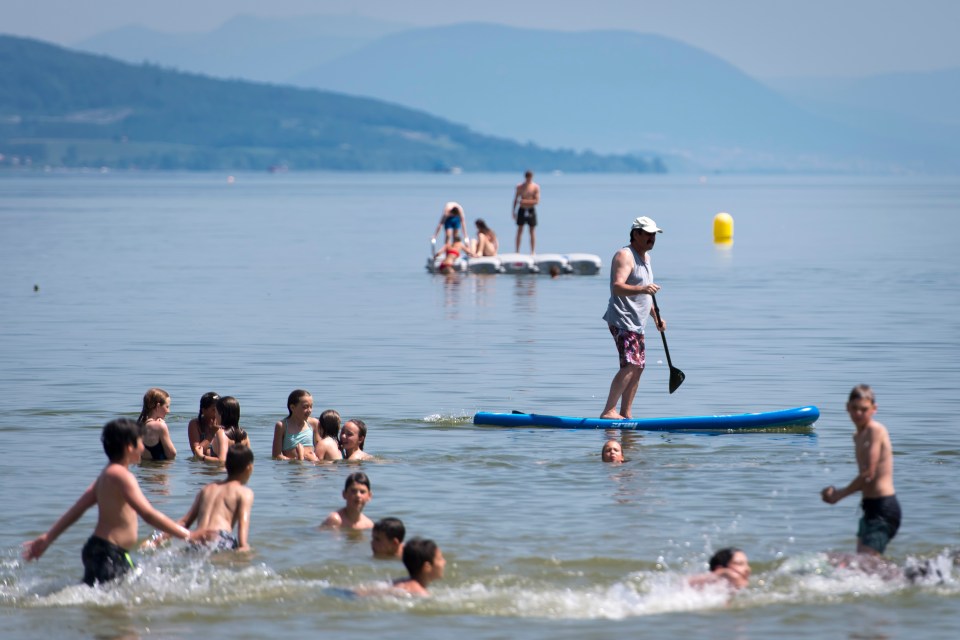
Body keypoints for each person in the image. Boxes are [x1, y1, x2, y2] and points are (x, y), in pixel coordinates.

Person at [22, 418, 192, 586]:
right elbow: (148, 514)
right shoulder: (121, 476)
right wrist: (187, 535)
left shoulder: (106, 475)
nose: (143, 447)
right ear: (129, 447)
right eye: (141, 442)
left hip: (106, 552)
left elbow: (76, 510)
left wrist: (48, 538)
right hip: (108, 553)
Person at [821, 384, 900, 556]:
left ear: (874, 409)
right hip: (869, 507)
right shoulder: (857, 436)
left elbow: (868, 474)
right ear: (847, 407)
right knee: (865, 565)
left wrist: (839, 494)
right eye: (854, 408)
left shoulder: (875, 430)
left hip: (884, 507)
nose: (858, 414)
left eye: (864, 409)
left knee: (865, 564)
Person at [600, 216, 665, 420]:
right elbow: (617, 287)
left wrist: (656, 318)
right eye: (647, 234)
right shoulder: (624, 255)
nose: (651, 238)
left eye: (654, 234)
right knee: (630, 365)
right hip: (622, 319)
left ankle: (626, 414)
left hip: (638, 323)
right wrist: (643, 288)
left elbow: (647, 295)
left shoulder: (646, 259)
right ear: (636, 234)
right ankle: (609, 411)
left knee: (638, 367)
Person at [176, 444, 255, 552]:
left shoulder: (207, 489)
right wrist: (244, 548)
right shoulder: (244, 492)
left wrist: (158, 540)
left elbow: (184, 522)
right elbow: (242, 538)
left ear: (226, 465)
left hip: (197, 538)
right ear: (249, 468)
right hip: (220, 537)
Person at [273, 389, 320, 461]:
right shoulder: (282, 426)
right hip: (293, 467)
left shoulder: (314, 423)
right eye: (305, 407)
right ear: (292, 408)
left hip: (311, 468)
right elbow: (276, 456)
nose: (309, 410)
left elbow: (319, 449)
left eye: (311, 406)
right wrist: (296, 460)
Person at [208, 396, 250, 465]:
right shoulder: (244, 434)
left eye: (216, 412)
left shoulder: (221, 433)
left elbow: (222, 460)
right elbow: (249, 461)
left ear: (222, 414)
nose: (215, 415)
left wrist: (201, 457)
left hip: (223, 474)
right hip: (240, 474)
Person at [138, 387, 177, 461]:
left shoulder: (140, 425)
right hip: (159, 470)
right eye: (167, 407)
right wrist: (163, 426)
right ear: (158, 406)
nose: (168, 411)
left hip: (143, 470)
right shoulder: (159, 426)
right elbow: (172, 454)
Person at [512, 170, 540, 254]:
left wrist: (525, 201)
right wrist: (513, 211)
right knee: (520, 230)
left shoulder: (535, 187)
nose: (529, 179)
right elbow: (516, 199)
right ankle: (517, 251)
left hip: (531, 210)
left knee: (532, 231)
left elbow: (537, 201)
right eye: (527, 177)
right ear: (525, 177)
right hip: (522, 209)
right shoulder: (520, 186)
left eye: (530, 177)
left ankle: (532, 251)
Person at [187, 391, 220, 460]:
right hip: (203, 465)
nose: (217, 413)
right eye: (214, 410)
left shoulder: (222, 423)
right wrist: (212, 433)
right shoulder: (195, 424)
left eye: (219, 409)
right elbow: (196, 453)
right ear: (203, 410)